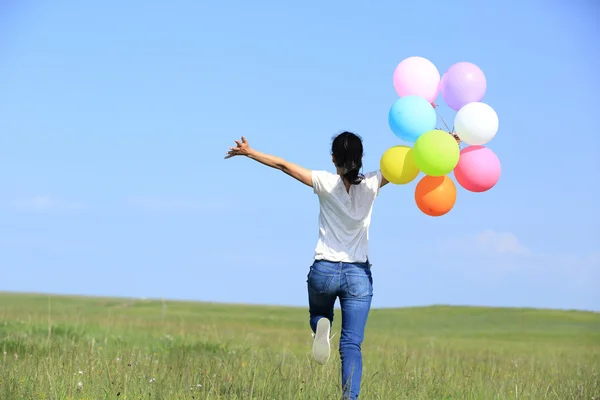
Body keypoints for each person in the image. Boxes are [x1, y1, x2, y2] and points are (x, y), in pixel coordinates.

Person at [225, 132, 388, 400]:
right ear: (360, 159)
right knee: (351, 344)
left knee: (320, 312)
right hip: (358, 274)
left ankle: (320, 324)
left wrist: (250, 152)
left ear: (333, 158)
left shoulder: (324, 182)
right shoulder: (372, 183)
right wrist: (447, 144)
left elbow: (283, 165)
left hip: (324, 270)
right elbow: (410, 164)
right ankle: (350, 397)